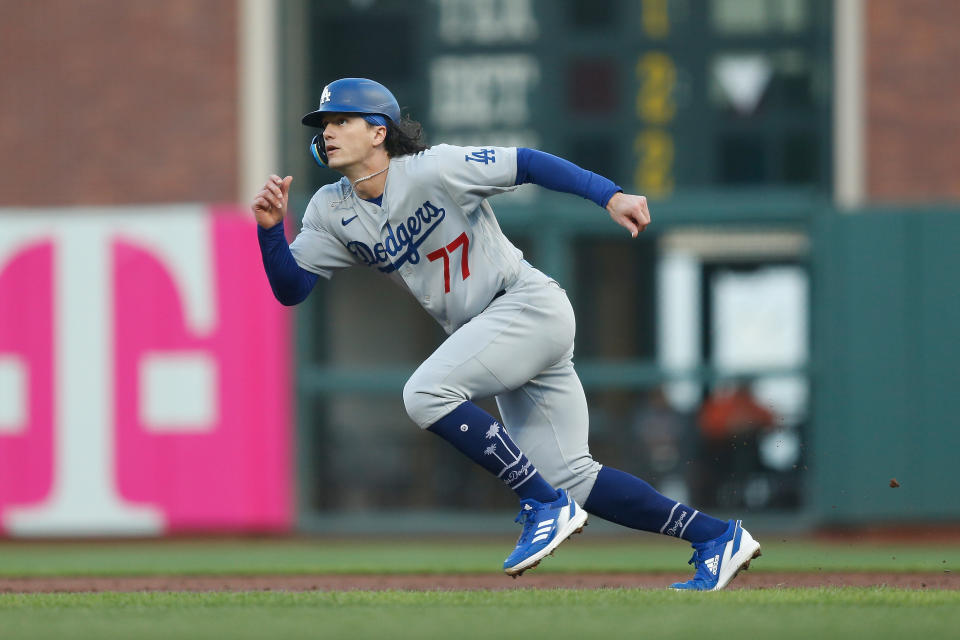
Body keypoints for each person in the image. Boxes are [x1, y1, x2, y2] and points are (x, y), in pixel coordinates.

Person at [253, 78, 760, 590]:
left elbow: (528, 162)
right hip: (493, 332)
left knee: (426, 393)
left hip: (523, 306)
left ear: (379, 131)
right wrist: (271, 230)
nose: (328, 131)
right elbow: (292, 288)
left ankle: (542, 504)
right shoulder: (329, 209)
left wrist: (610, 195)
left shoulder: (434, 168)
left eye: (341, 120)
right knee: (574, 478)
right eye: (325, 124)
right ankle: (716, 538)